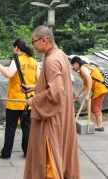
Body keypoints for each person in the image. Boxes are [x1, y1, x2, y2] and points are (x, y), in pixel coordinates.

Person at [24, 25, 80, 179]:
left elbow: (56, 93)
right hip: (62, 116)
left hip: (51, 121)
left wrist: (34, 100)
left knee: (48, 162)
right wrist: (35, 87)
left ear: (45, 40)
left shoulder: (51, 60)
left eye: (33, 41)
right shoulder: (60, 54)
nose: (32, 45)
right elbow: (56, 84)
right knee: (60, 154)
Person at [0, 38, 38, 159]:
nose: (13, 50)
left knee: (10, 127)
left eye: (13, 47)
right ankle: (28, 152)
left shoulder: (16, 59)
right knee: (27, 128)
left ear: (17, 48)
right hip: (29, 100)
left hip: (15, 100)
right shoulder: (33, 61)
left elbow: (9, 74)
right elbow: (39, 80)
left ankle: (6, 153)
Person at [71, 56, 108, 131]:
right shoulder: (84, 69)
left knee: (95, 107)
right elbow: (85, 85)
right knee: (94, 107)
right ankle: (98, 125)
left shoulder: (83, 68)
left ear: (76, 63)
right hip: (98, 89)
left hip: (100, 89)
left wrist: (87, 94)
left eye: (73, 65)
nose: (73, 67)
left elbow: (89, 81)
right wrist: (78, 95)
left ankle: (100, 126)